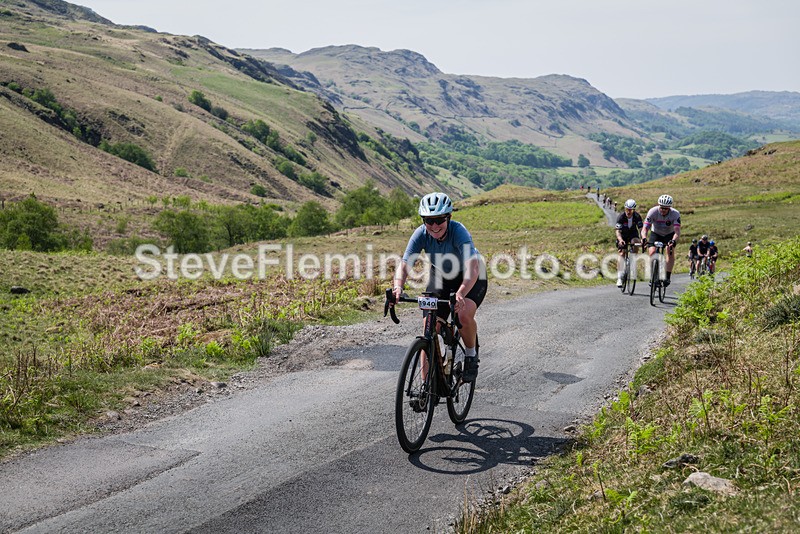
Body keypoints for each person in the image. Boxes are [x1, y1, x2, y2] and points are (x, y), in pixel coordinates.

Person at [392, 192, 487, 383]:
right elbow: (404, 265)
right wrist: (397, 288)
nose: (434, 226)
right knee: (429, 324)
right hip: (441, 276)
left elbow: (473, 268)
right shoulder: (421, 233)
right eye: (429, 220)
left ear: (448, 217)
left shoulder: (458, 231)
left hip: (471, 276)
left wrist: (460, 294)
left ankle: (470, 356)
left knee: (463, 314)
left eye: (439, 220)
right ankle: (426, 387)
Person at [641, 194, 681, 287]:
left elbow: (677, 232)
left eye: (665, 209)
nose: (663, 210)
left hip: (669, 235)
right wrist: (644, 238)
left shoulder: (675, 214)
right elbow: (645, 228)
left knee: (669, 251)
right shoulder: (653, 211)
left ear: (669, 208)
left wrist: (673, 241)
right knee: (652, 252)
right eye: (661, 208)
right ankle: (653, 276)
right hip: (656, 234)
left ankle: (667, 276)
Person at [615, 199, 643, 287]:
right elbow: (617, 231)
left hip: (632, 234)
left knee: (635, 242)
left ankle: (632, 258)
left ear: (634, 210)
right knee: (622, 253)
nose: (628, 211)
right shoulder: (621, 217)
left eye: (630, 210)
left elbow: (641, 229)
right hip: (623, 235)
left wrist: (643, 239)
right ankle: (619, 278)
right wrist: (620, 240)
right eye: (627, 209)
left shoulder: (637, 216)